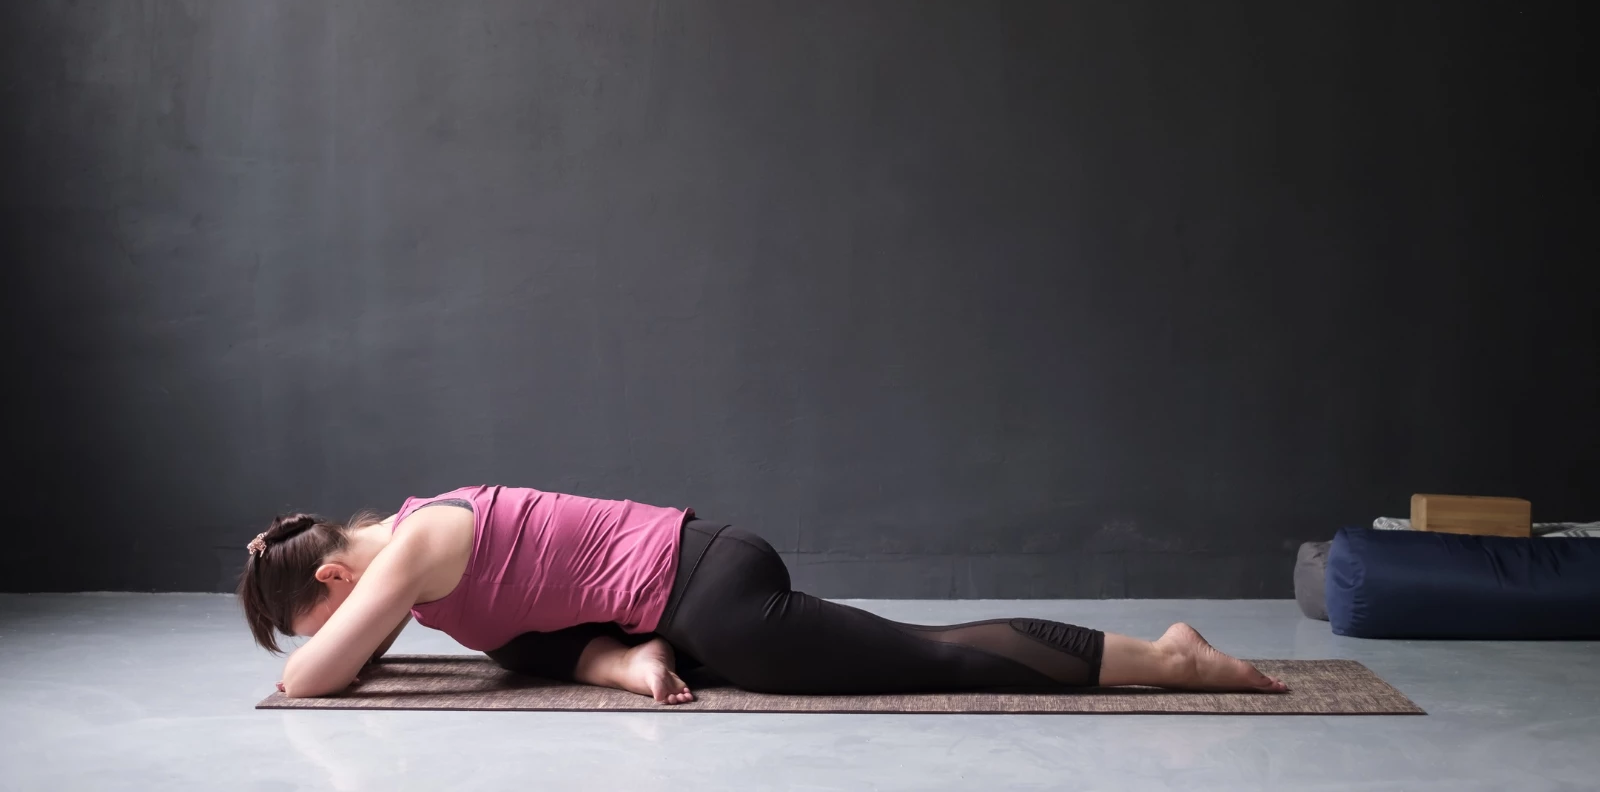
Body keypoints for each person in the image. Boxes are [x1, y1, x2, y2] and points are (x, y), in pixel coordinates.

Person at [239, 485, 1288, 702]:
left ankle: (1167, 657)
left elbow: (307, 690)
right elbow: (525, 625)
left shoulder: (418, 543)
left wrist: (316, 660)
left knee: (920, 658)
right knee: (505, 652)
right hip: (664, 602)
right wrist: (606, 653)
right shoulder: (422, 542)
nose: (343, 638)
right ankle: (626, 662)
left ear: (336, 578)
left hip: (708, 588)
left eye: (320, 618)